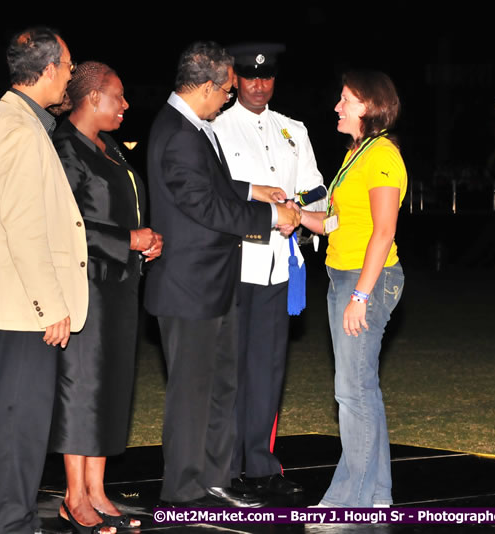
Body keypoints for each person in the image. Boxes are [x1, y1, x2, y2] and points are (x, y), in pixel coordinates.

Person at [144, 41, 300, 508]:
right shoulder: (177, 131)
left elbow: (211, 184)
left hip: (213, 283)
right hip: (188, 287)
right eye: (227, 90)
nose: (229, 98)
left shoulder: (193, 125)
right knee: (192, 394)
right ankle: (185, 492)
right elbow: (201, 203)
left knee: (219, 388)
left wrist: (254, 191)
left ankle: (214, 480)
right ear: (207, 85)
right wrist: (270, 217)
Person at [0, 27, 89, 533]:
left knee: (22, 424)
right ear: (49, 69)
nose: (71, 76)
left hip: (11, 300)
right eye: (69, 66)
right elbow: (27, 227)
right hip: (23, 307)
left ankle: (15, 520)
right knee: (20, 427)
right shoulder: (17, 128)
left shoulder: (1, 120)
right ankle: (10, 524)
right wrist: (49, 305)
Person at [49, 61, 163, 532]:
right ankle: (73, 497)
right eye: (119, 96)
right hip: (85, 284)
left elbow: (125, 204)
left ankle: (97, 490)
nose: (125, 104)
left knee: (111, 388)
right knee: (82, 390)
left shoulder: (110, 146)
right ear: (93, 96)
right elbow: (62, 223)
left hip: (119, 287)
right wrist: (128, 240)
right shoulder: (62, 148)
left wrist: (146, 242)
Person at [212, 42, 326, 496]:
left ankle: (260, 463)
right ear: (235, 78)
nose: (258, 84)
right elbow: (212, 195)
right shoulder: (215, 127)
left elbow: (316, 193)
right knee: (226, 369)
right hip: (233, 265)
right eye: (249, 75)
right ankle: (222, 465)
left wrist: (305, 216)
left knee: (267, 368)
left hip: (280, 266)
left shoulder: (293, 130)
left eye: (267, 76)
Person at [299, 71, 407, 507]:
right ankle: (377, 495)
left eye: (346, 99)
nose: (338, 107)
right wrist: (290, 213)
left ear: (369, 105)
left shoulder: (381, 155)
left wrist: (361, 296)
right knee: (362, 391)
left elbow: (383, 232)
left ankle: (352, 501)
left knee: (352, 394)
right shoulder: (355, 155)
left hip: (368, 279)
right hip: (344, 275)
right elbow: (335, 223)